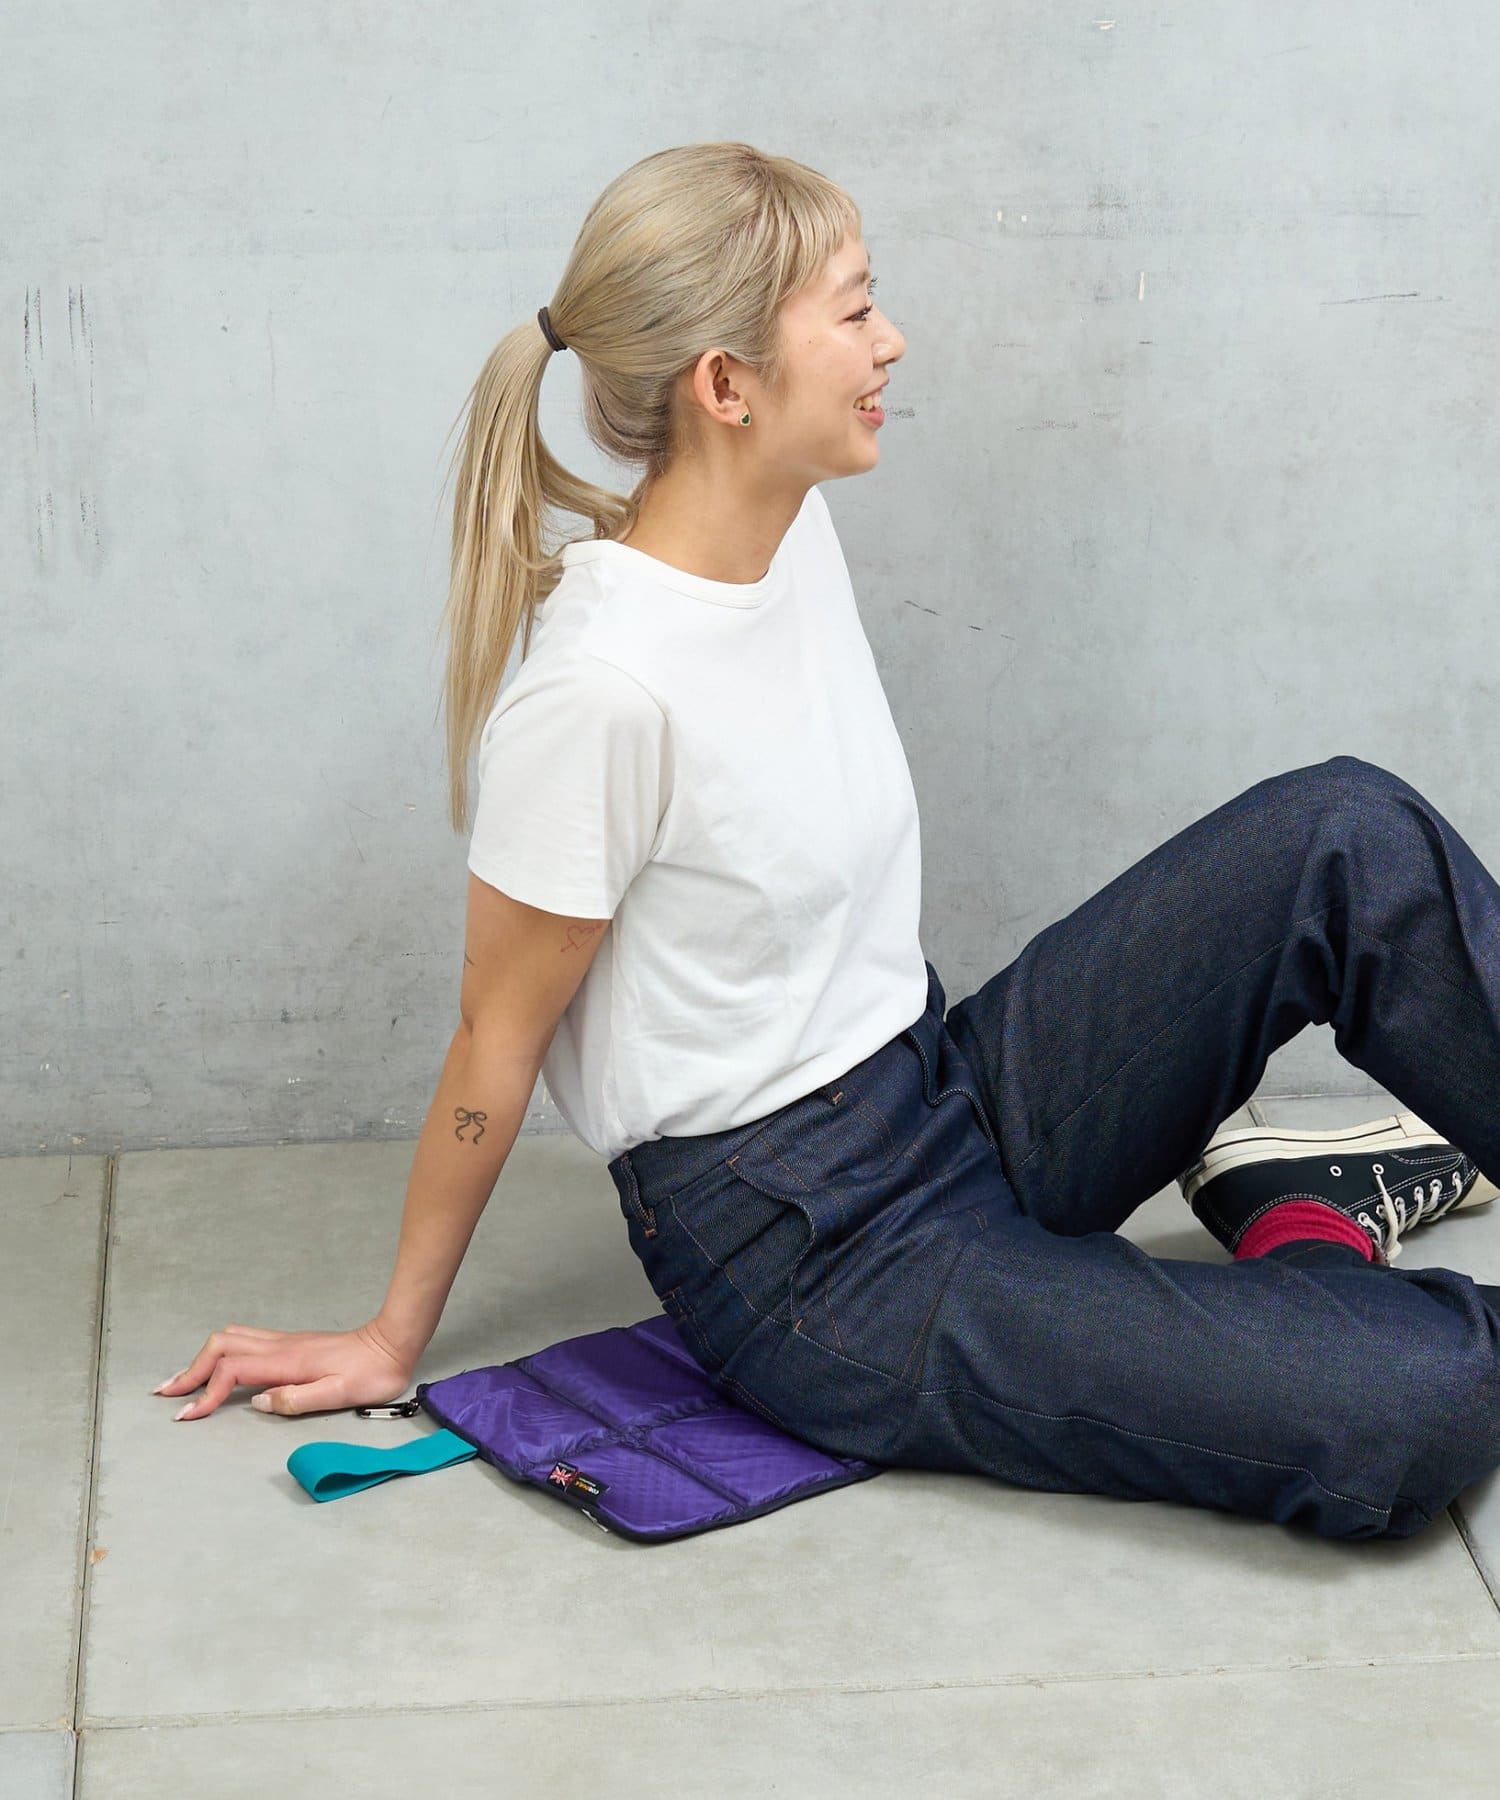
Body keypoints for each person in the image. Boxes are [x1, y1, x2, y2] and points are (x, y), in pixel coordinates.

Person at [158, 143, 1500, 1542]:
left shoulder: (788, 530)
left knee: (1346, 834)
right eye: (854, 311)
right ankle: (1308, 1232)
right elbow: (493, 1041)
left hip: (945, 1092)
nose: (891, 340)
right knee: (1419, 1404)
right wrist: (391, 1335)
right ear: (726, 385)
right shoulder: (602, 692)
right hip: (821, 1269)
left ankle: (1295, 1231)